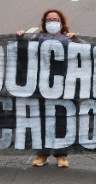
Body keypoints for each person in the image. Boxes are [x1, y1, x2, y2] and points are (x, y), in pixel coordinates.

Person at [16, 10, 77, 168]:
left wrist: (76, 40)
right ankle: (42, 154)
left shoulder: (69, 39)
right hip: (40, 87)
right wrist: (21, 39)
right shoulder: (36, 38)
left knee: (61, 119)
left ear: (61, 23)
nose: (52, 22)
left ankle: (61, 155)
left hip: (63, 87)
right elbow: (23, 56)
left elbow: (82, 56)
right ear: (43, 23)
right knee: (41, 119)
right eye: (49, 20)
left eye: (55, 19)